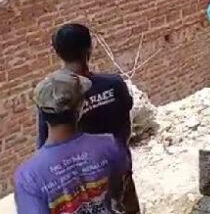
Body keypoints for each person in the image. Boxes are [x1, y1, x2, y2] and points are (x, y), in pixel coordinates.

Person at [37, 23, 140, 213]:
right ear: (90, 48)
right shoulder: (114, 84)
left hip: (82, 187)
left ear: (57, 53)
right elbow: (125, 128)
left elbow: (44, 145)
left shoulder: (53, 96)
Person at [16, 69, 129, 214]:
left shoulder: (28, 178)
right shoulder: (110, 145)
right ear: (80, 107)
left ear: (40, 112)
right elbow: (117, 188)